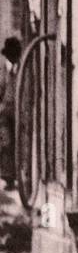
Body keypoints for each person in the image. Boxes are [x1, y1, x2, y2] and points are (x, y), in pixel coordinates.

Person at [1, 36, 21, 188]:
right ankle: (9, 177)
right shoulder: (4, 70)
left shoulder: (23, 67)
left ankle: (18, 175)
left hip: (20, 111)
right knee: (7, 143)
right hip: (5, 111)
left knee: (19, 143)